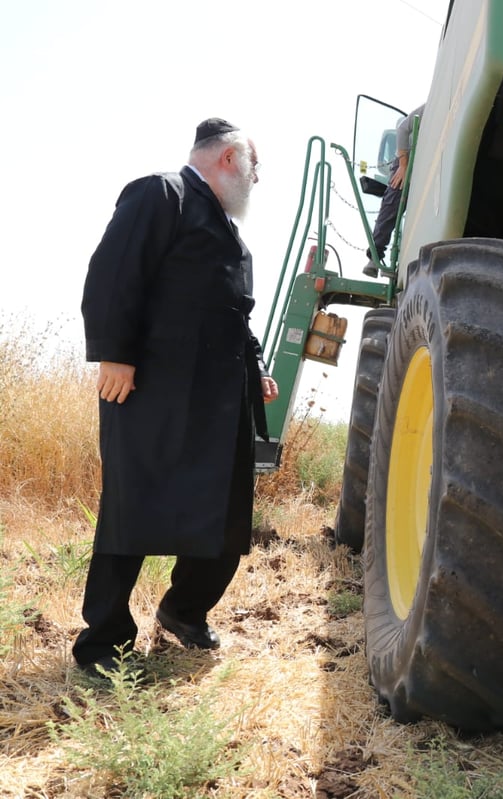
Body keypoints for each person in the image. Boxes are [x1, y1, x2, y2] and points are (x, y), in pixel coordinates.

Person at [74, 118, 280, 678]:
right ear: (230, 159)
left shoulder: (226, 229)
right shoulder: (161, 193)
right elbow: (113, 273)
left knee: (227, 514)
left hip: (218, 399)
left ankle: (183, 611)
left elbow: (232, 307)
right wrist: (114, 352)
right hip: (152, 391)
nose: (257, 180)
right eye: (254, 168)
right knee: (133, 509)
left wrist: (255, 365)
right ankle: (104, 644)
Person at [364, 103, 424, 277]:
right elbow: (403, 128)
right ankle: (375, 257)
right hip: (407, 162)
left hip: (426, 160)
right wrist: (404, 166)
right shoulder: (428, 108)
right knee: (392, 204)